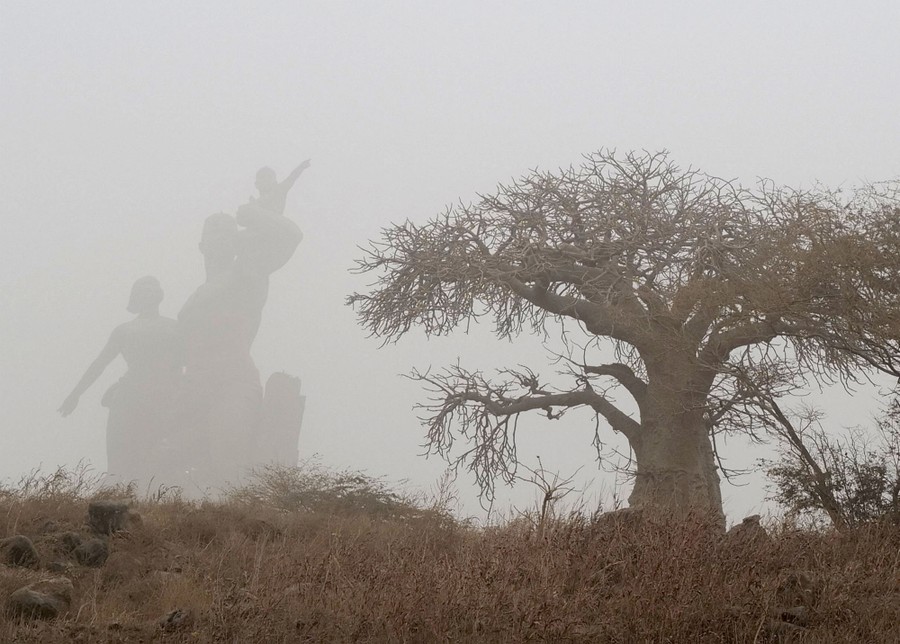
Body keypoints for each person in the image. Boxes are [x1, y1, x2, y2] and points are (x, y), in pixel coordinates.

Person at [176, 169, 305, 492]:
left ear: (235, 240)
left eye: (227, 230)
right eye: (213, 230)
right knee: (165, 456)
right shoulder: (192, 299)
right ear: (201, 244)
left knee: (228, 455)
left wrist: (254, 214)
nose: (221, 235)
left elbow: (292, 236)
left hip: (233, 382)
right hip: (192, 382)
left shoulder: (247, 274)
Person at [58, 276, 183, 489]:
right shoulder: (125, 330)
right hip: (130, 396)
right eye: (143, 288)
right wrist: (75, 394)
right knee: (120, 455)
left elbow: (186, 361)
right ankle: (115, 495)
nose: (150, 290)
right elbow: (99, 364)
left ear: (160, 294)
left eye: (153, 286)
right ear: (136, 297)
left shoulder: (174, 327)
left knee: (161, 455)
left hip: (164, 397)